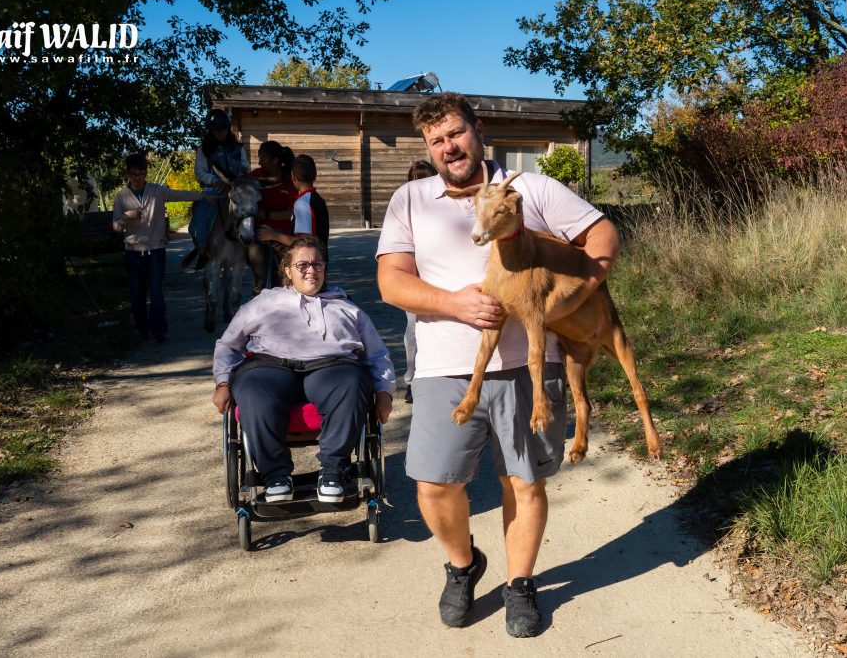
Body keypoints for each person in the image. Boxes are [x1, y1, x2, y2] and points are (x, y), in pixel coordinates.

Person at [376, 93, 622, 638]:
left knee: (524, 481)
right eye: (437, 141)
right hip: (444, 366)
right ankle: (463, 565)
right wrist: (453, 303)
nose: (449, 147)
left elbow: (602, 235)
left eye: (456, 134)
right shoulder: (411, 199)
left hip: (528, 368)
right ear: (428, 148)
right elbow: (391, 282)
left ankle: (520, 585)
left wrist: (577, 295)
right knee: (435, 485)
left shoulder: (529, 189)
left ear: (478, 130)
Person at [212, 237, 396, 503]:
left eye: (317, 264)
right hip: (271, 364)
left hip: (331, 367)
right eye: (303, 265)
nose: (311, 270)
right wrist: (223, 383)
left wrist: (384, 391)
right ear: (287, 271)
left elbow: (377, 354)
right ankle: (275, 476)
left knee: (353, 382)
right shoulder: (263, 303)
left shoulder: (346, 307)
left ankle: (333, 470)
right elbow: (229, 345)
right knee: (253, 389)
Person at [113, 152, 213, 342]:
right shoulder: (122, 197)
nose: (137, 177)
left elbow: (179, 195)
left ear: (145, 174)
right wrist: (127, 217)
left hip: (155, 250)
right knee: (137, 293)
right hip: (133, 252)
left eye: (141, 173)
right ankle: (141, 329)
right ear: (128, 174)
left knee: (157, 292)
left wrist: (203, 196)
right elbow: (116, 226)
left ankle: (159, 330)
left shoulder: (156, 191)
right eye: (134, 174)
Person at [186, 108, 250, 271]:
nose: (220, 133)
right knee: (200, 216)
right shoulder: (203, 149)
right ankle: (202, 251)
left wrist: (238, 177)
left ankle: (253, 250)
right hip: (212, 190)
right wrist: (214, 180)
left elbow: (246, 167)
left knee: (252, 210)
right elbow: (199, 172)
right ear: (211, 131)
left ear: (228, 128)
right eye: (216, 131)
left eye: (223, 130)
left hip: (236, 189)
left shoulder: (238, 147)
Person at [401, 160, 437, 403]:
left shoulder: (444, 206)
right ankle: (412, 379)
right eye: (416, 181)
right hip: (415, 277)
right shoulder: (405, 208)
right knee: (414, 329)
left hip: (439, 276)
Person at [256, 154, 330, 259]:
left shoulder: (302, 203)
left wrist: (273, 235)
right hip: (317, 261)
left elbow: (305, 241)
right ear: (315, 175)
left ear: (293, 177)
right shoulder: (318, 200)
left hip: (307, 264)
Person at [248, 141, 298, 294]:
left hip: (281, 238)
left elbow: (291, 213)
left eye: (262, 158)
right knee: (259, 283)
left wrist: (267, 214)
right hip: (259, 236)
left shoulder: (290, 181)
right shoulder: (256, 176)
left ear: (275, 161)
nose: (259, 162)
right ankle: (256, 314)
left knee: (281, 281)